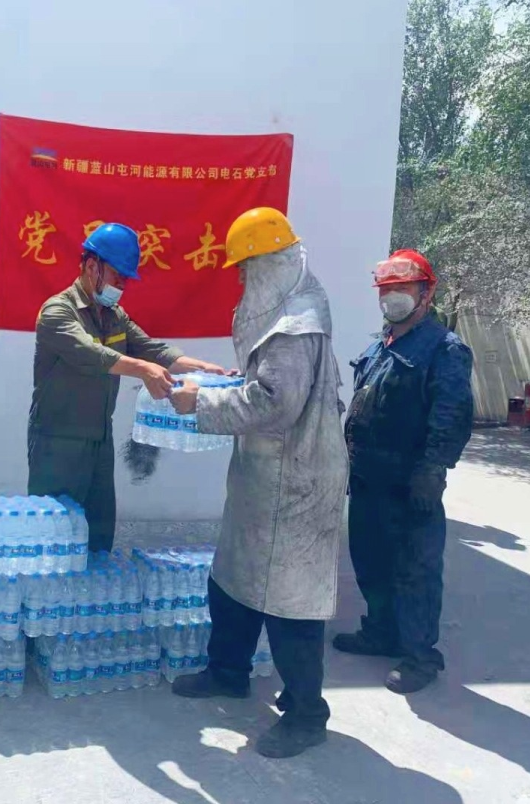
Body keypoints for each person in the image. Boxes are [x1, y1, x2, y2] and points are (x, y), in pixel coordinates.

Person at [167, 208, 348, 759]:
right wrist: (225, 385)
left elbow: (275, 403)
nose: (242, 279)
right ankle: (228, 672)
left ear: (271, 263)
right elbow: (263, 385)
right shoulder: (284, 314)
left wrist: (202, 402)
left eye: (246, 268)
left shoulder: (296, 326)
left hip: (296, 482)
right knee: (232, 579)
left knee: (290, 603)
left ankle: (307, 714)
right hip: (263, 477)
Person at [28, 222, 228, 553]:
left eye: (125, 279)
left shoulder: (114, 316)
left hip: (99, 440)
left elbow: (151, 350)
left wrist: (203, 367)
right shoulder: (58, 312)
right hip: (58, 441)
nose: (121, 285)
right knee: (53, 540)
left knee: (98, 535)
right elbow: (91, 354)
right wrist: (142, 370)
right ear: (92, 267)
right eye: (117, 275)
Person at [333, 249, 473, 694]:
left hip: (411, 481)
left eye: (403, 288)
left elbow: (451, 413)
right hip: (368, 476)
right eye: (387, 289)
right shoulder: (382, 343)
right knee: (370, 560)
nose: (393, 297)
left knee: (415, 569)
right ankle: (381, 632)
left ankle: (420, 657)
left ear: (426, 293)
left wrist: (433, 469)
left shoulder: (444, 349)